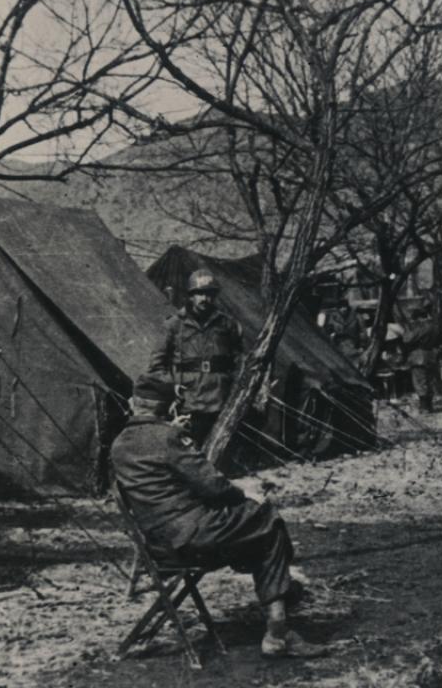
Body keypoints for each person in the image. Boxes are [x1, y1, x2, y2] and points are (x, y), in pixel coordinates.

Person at [111, 375, 326, 659]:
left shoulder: (119, 445)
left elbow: (162, 480)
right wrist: (245, 493)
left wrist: (172, 434)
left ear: (132, 403)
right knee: (268, 519)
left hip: (161, 546)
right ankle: (279, 630)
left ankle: (279, 593)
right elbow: (214, 486)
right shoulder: (169, 438)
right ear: (169, 407)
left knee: (259, 534)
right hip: (195, 537)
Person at [148, 268, 244, 449]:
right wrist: (171, 386)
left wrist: (233, 387)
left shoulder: (227, 324)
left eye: (209, 294)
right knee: (186, 450)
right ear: (191, 296)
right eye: (199, 293)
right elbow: (156, 366)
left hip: (220, 400)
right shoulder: (173, 325)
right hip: (188, 402)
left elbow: (239, 360)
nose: (204, 299)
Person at [402, 305, 441, 412]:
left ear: (418, 318)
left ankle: (424, 407)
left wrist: (407, 329)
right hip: (431, 355)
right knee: (430, 381)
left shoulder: (422, 327)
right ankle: (429, 406)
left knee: (420, 382)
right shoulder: (434, 326)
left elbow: (407, 339)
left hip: (419, 356)